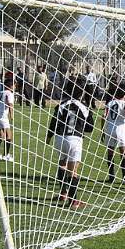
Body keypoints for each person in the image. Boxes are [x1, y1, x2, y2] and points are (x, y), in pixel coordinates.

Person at [46, 76, 94, 209]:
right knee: (73, 172)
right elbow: (90, 127)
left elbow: (54, 122)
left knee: (62, 164)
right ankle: (73, 202)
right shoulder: (83, 107)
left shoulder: (61, 105)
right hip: (75, 139)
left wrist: (49, 137)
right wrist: (81, 124)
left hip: (60, 138)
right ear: (82, 93)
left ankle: (63, 193)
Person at [101, 84, 125, 184]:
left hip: (110, 129)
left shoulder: (110, 103)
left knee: (110, 153)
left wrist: (102, 131)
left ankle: (111, 176)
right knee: (123, 153)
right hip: (121, 129)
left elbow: (103, 117)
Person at [0, 77, 15, 161]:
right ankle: (6, 155)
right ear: (11, 86)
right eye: (14, 85)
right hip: (2, 115)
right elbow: (10, 104)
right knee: (9, 135)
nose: (15, 87)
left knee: (1, 135)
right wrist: (11, 115)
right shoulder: (9, 93)